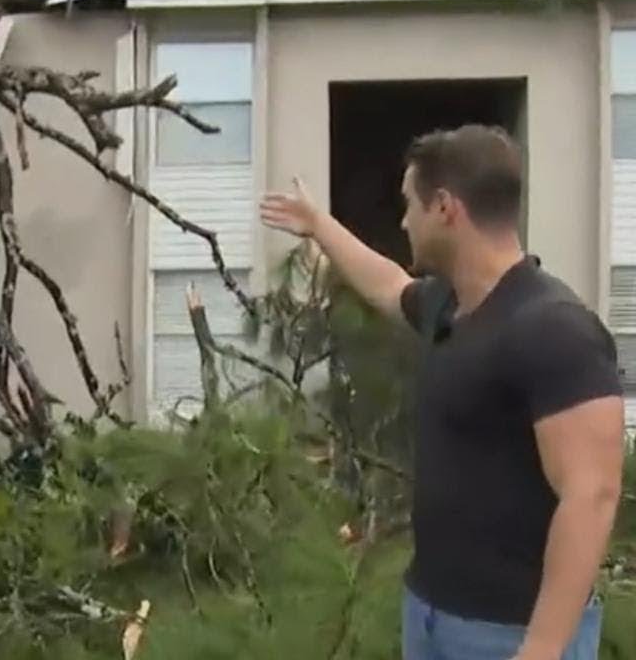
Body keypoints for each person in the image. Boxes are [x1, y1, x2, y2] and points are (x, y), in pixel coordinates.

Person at [259, 124, 626, 660]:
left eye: (410, 205)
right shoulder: (448, 308)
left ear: (446, 209)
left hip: (509, 634)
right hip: (431, 615)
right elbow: (387, 284)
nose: (404, 221)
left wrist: (543, 647)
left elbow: (591, 496)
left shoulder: (554, 328)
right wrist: (319, 226)